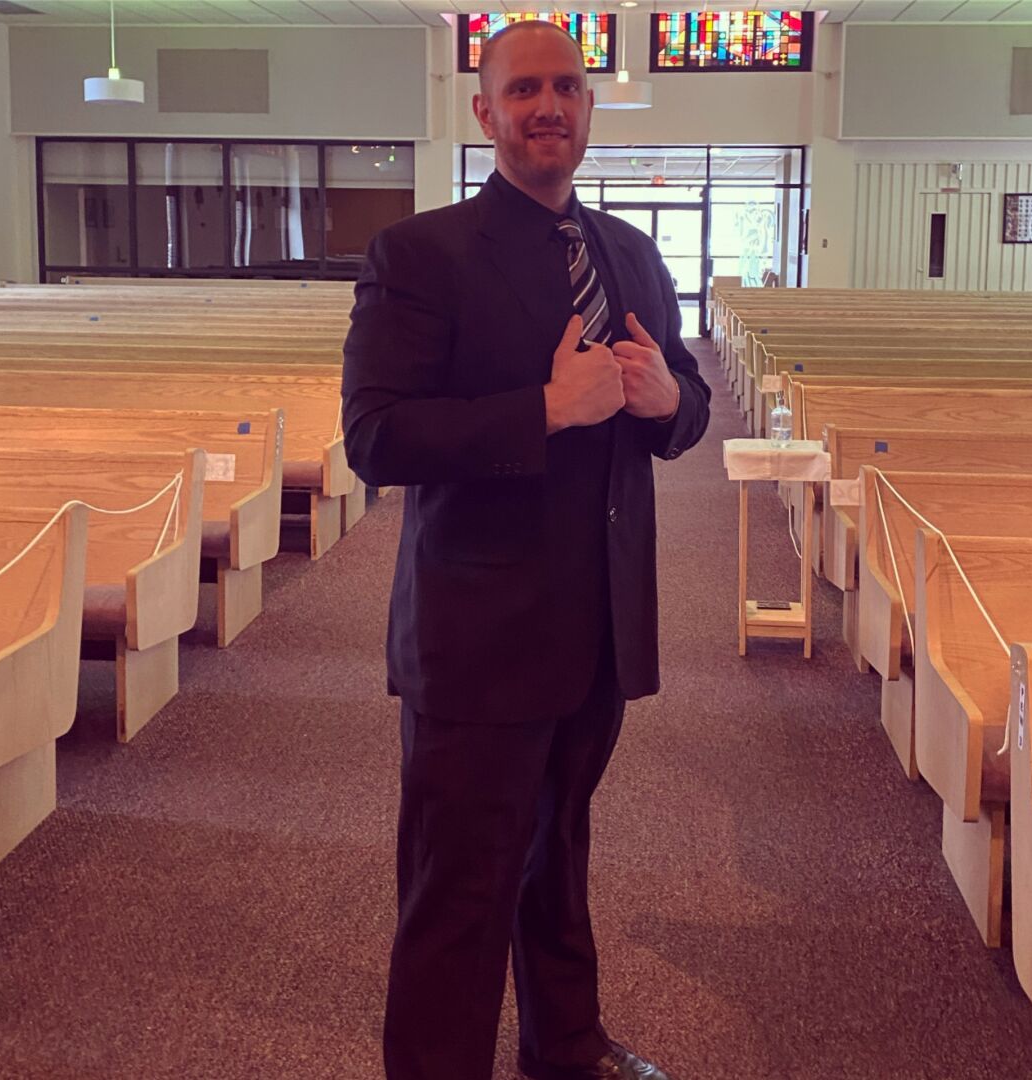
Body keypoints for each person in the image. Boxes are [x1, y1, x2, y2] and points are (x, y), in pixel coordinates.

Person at [341, 19, 711, 1080]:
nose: (549, 106)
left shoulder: (630, 253)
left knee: (560, 857)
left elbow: (684, 408)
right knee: (458, 892)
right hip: (478, 638)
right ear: (486, 112)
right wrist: (543, 409)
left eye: (567, 87)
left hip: (598, 630)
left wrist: (667, 399)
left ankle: (568, 1048)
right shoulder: (422, 255)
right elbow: (377, 438)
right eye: (524, 89)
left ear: (588, 107)